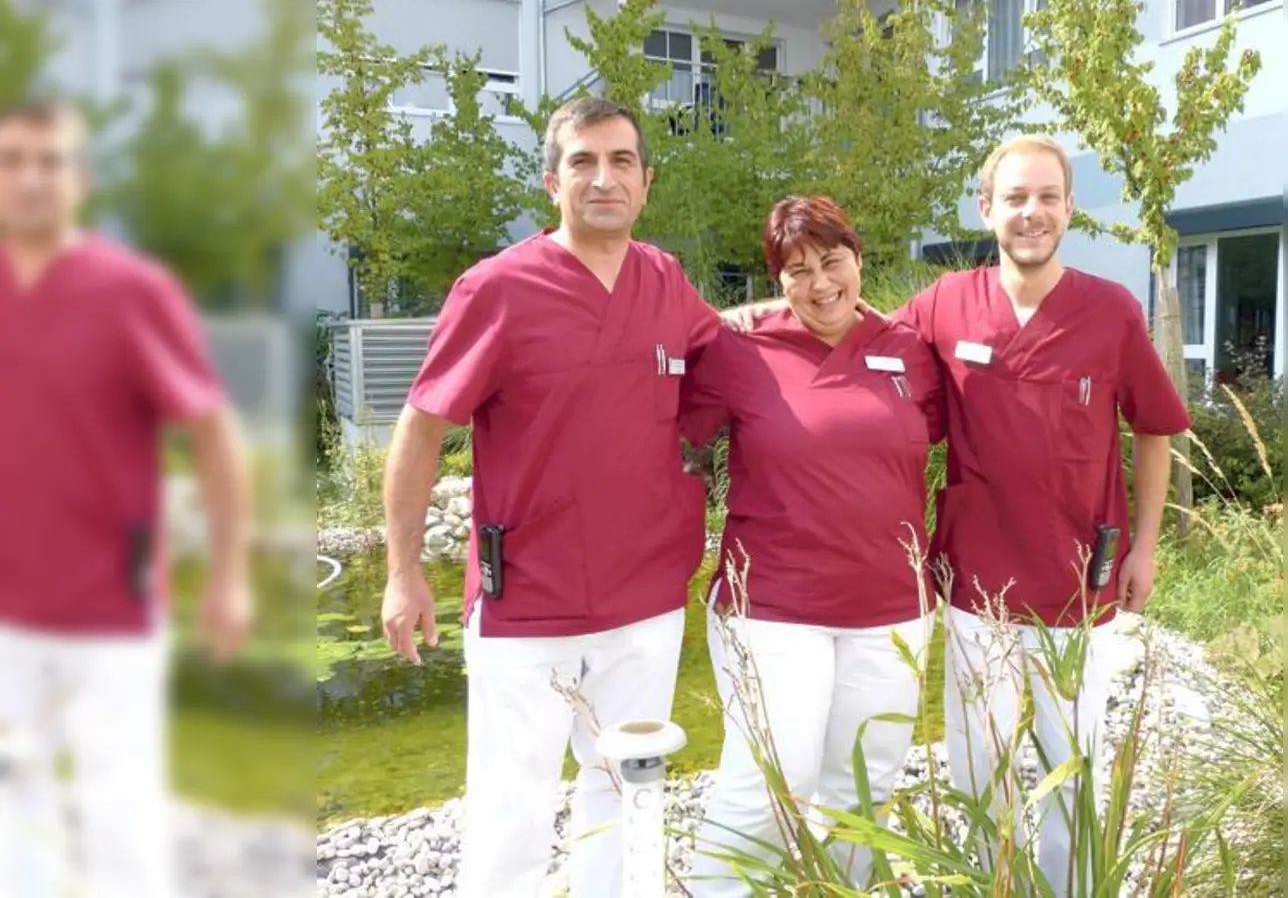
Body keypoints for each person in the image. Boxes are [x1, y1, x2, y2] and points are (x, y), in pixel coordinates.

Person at [726, 134, 1191, 893]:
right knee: (979, 773)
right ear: (986, 209)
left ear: (1070, 207)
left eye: (1047, 197)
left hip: (1080, 588)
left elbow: (1156, 428)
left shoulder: (1110, 311)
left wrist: (1144, 547)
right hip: (976, 588)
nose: (1031, 213)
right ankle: (987, 885)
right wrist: (758, 312)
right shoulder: (947, 303)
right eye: (1015, 198)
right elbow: (849, 319)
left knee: (1072, 772)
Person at [380, 97, 724, 897]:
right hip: (526, 601)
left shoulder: (665, 280)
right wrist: (403, 570)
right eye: (583, 162)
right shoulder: (497, 288)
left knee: (627, 794)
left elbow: (733, 350)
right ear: (551, 181)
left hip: (644, 600)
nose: (604, 179)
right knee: (513, 810)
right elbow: (422, 426)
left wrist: (832, 316)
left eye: (621, 161)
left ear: (646, 182)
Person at [0, 97, 253, 898]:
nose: (30, 179)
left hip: (111, 606)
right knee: (12, 819)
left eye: (50, 162)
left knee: (121, 822)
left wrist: (228, 575)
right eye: (12, 161)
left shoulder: (129, 292)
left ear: (81, 179)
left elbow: (211, 432)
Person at [678, 196, 945, 895]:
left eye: (832, 262)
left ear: (858, 258)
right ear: (777, 280)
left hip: (891, 609)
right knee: (769, 785)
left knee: (864, 790)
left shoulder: (909, 350)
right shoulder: (739, 349)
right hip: (772, 608)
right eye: (797, 272)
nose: (820, 283)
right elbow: (665, 435)